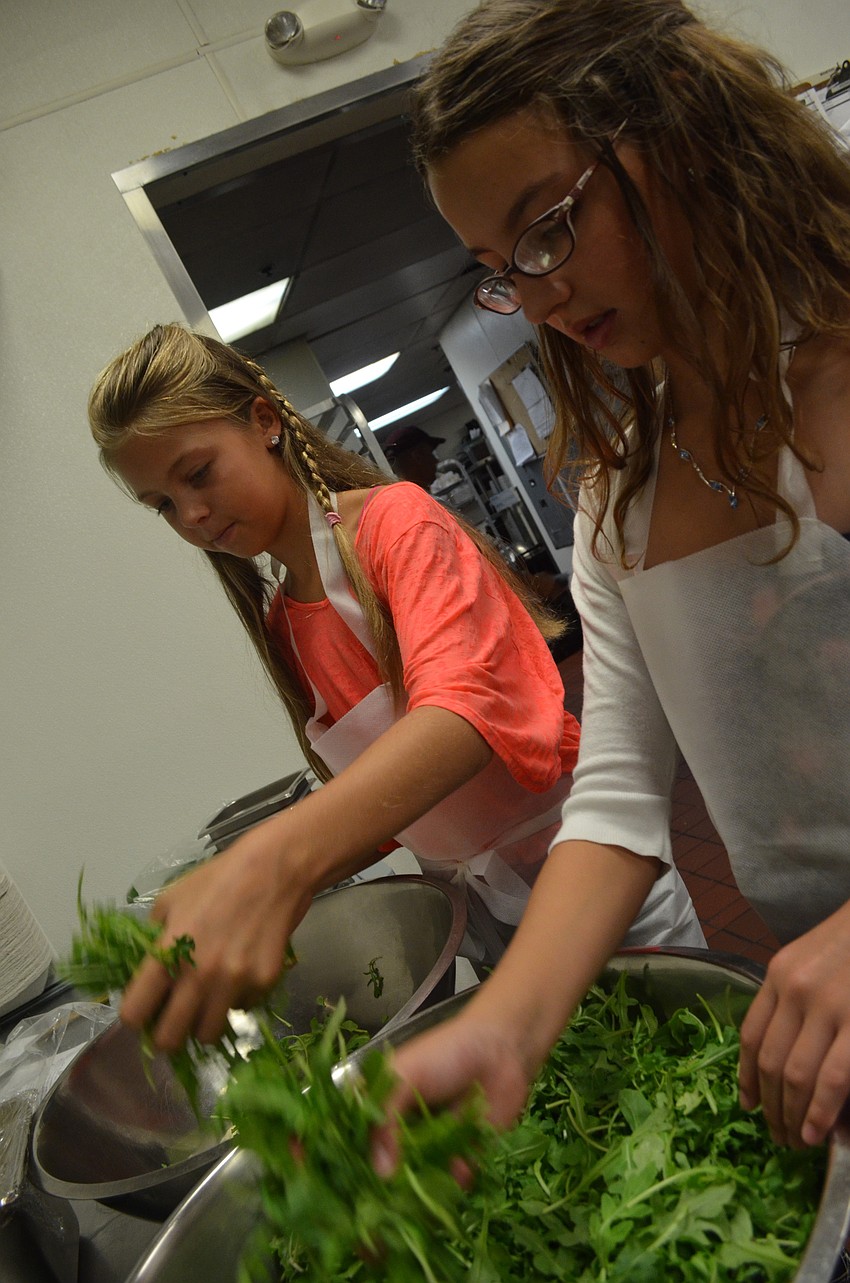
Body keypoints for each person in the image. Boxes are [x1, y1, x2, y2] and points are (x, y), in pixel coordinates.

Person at [375, 0, 850, 1160]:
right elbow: (623, 794)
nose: (537, 300)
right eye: (499, 268)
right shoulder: (617, 501)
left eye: (547, 230)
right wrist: (504, 1023)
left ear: (677, 131)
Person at [87, 323, 703, 1052]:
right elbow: (389, 806)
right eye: (161, 504)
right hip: (485, 915)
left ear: (262, 422)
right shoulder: (286, 619)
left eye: (198, 475)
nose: (190, 516)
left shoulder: (394, 526)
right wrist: (271, 902)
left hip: (596, 875)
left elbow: (463, 713)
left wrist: (272, 863)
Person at [381, 423, 444, 489]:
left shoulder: (403, 494)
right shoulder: (415, 497)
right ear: (418, 457)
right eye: (430, 454)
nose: (435, 461)